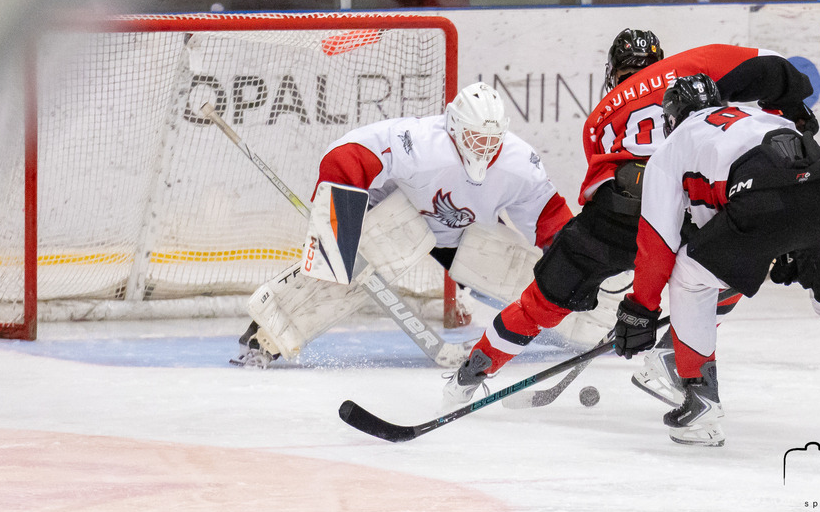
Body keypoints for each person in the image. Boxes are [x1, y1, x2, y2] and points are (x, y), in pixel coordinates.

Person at [443, 29, 817, 405]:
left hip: (614, 214)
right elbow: (770, 61)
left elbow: (600, 176)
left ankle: (469, 375)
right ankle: (670, 356)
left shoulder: (597, 118)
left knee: (540, 303)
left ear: (613, 72)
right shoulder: (691, 65)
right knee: (728, 273)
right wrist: (792, 105)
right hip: (686, 207)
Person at [611, 73, 820, 447]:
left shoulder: (672, 149)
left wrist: (640, 308)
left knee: (690, 276)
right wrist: (795, 240)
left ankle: (700, 402)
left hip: (764, 200)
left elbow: (657, 244)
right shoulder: (760, 116)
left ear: (672, 117)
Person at [233, 81, 574, 367]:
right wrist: (338, 226)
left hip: (467, 232)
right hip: (400, 217)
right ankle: (266, 335)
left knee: (547, 283)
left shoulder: (519, 162)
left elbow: (549, 215)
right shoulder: (420, 142)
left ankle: (590, 328)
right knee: (335, 274)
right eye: (475, 136)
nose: (484, 147)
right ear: (454, 126)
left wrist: (578, 263)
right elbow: (346, 155)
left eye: (492, 138)